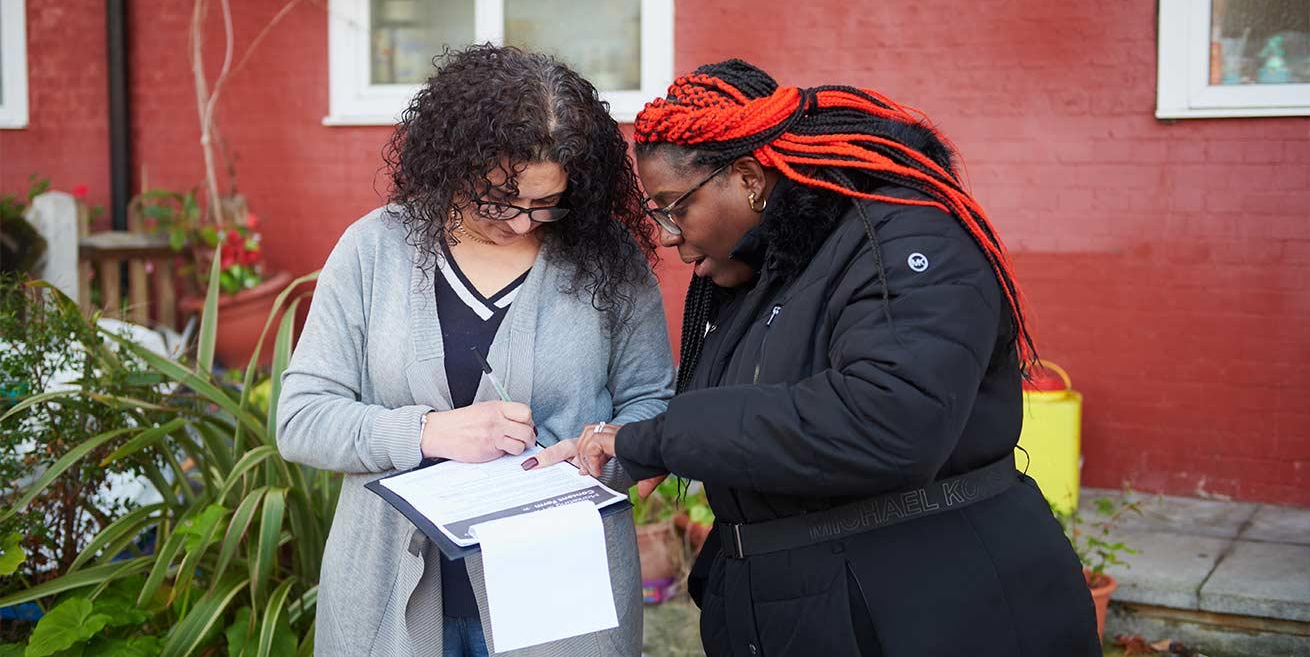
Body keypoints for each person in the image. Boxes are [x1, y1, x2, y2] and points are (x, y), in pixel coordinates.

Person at [539, 60, 1101, 656]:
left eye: (673, 207)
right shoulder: (773, 266)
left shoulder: (906, 239)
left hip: (936, 615)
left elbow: (887, 422)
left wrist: (663, 437)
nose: (670, 234)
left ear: (750, 178)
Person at [276, 44, 673, 657]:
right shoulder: (372, 252)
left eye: (546, 204)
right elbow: (301, 420)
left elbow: (653, 407)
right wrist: (428, 432)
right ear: (451, 163)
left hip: (563, 602)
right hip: (387, 597)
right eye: (499, 200)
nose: (521, 224)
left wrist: (597, 452)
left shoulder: (607, 261)